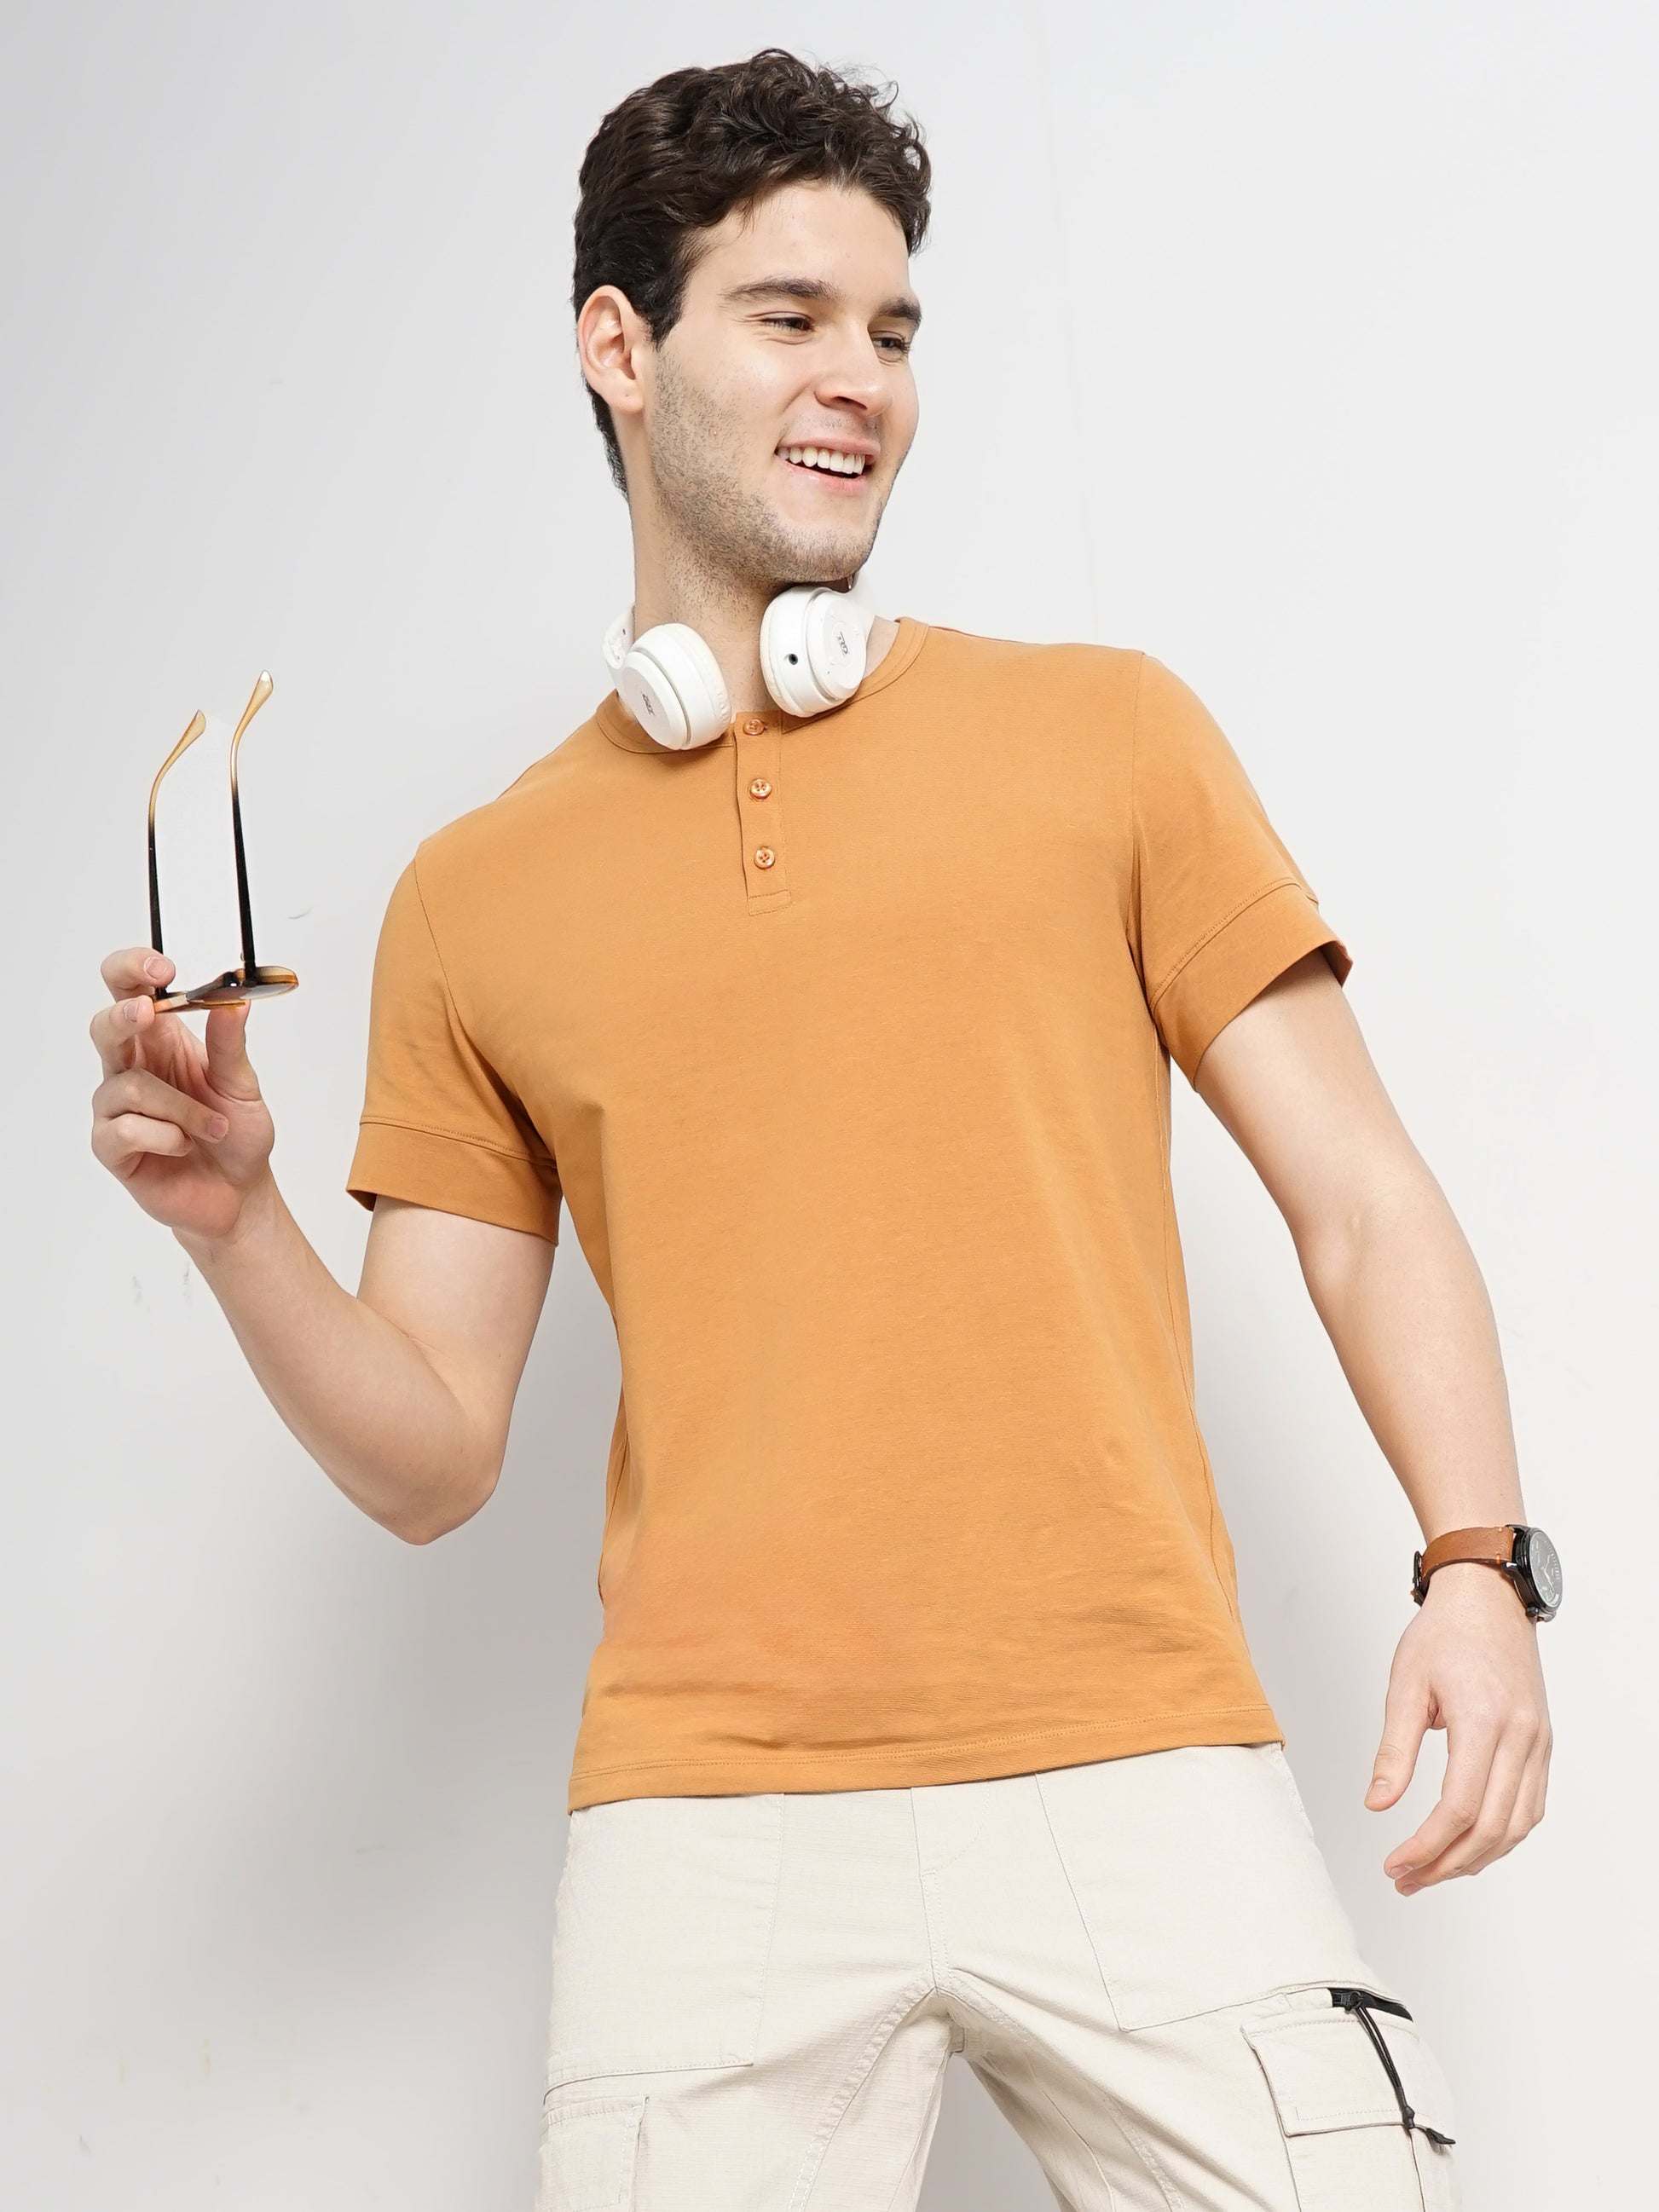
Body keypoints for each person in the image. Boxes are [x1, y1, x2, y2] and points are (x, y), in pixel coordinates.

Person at [90, 47, 1555, 2212]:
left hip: (1135, 1746)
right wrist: (236, 1222)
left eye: (890, 328)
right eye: (787, 316)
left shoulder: (1107, 735)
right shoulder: (477, 895)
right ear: (621, 347)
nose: (857, 378)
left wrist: (1477, 1565)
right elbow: (432, 1450)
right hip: (709, 1820)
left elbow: (1357, 1193)